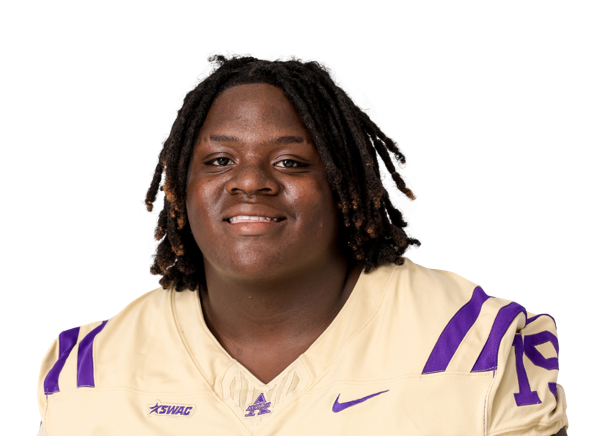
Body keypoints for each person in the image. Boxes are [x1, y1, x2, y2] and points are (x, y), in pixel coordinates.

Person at [36, 53, 568, 435]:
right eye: (219, 161)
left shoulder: (479, 344)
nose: (250, 181)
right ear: (180, 186)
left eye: (290, 162)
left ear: (344, 183)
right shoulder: (89, 366)